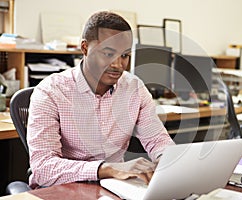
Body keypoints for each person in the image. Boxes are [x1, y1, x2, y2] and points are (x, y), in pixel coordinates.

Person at [27, 11, 175, 188]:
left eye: (125, 55)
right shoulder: (50, 91)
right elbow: (43, 168)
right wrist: (108, 169)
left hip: (116, 187)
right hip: (64, 188)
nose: (118, 65)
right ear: (84, 48)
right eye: (108, 53)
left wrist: (164, 160)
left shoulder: (134, 88)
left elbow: (157, 140)